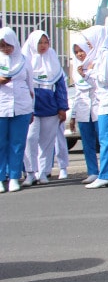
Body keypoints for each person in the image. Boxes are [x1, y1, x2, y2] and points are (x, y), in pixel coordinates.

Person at [80, 26, 108, 189]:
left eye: (89, 41)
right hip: (107, 99)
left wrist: (90, 72)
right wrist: (86, 75)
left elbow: (104, 80)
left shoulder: (106, 55)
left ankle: (105, 174)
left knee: (106, 139)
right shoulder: (103, 54)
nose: (88, 45)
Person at [21, 30, 68, 185]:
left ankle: (43, 173)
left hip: (50, 107)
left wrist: (62, 107)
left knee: (47, 142)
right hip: (31, 107)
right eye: (39, 42)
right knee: (30, 138)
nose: (43, 46)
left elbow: (60, 85)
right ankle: (30, 172)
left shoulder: (52, 58)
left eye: (45, 42)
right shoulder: (24, 59)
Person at [0, 27, 34, 193]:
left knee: (17, 143)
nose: (5, 49)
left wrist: (32, 109)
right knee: (1, 143)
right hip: (1, 107)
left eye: (8, 45)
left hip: (22, 106)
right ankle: (0, 178)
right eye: (2, 46)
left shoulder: (23, 60)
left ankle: (14, 177)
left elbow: (30, 84)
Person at [68, 35, 100, 184]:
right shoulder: (75, 69)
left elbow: (98, 84)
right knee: (87, 142)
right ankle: (92, 171)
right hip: (82, 109)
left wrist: (86, 74)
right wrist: (73, 116)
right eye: (77, 52)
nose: (80, 54)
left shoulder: (96, 64)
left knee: (105, 140)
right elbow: (77, 94)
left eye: (82, 50)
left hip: (97, 106)